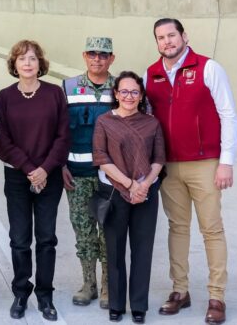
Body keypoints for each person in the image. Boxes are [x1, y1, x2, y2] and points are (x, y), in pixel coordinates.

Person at [144, 18, 237, 325]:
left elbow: (228, 114)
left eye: (172, 35)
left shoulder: (208, 68)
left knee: (211, 229)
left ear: (184, 36)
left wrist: (226, 161)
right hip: (169, 166)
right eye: (161, 37)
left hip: (205, 164)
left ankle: (216, 296)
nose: (167, 41)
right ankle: (180, 290)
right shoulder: (152, 74)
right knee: (177, 228)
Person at [0, 40, 70, 322]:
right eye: (22, 59)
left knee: (47, 239)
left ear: (41, 64)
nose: (27, 63)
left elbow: (63, 137)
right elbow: (2, 141)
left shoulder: (54, 94)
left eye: (33, 59)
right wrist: (29, 168)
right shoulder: (4, 97)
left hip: (49, 177)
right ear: (14, 64)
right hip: (17, 177)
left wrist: (45, 169)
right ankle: (21, 291)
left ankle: (45, 294)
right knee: (20, 239)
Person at [93, 71, 165, 324]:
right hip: (115, 194)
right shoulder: (104, 121)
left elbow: (158, 159)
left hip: (146, 194)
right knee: (114, 251)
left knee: (142, 251)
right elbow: (101, 159)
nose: (129, 96)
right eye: (124, 91)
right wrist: (130, 184)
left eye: (134, 92)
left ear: (141, 95)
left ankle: (138, 306)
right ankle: (116, 304)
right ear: (115, 94)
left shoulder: (151, 123)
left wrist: (144, 185)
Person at [61, 37, 116, 309]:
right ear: (84, 56)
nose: (98, 59)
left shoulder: (122, 89)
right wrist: (60, 166)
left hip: (111, 177)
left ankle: (107, 285)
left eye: (103, 55)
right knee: (83, 231)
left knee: (108, 231)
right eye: (92, 54)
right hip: (77, 173)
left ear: (111, 59)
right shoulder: (68, 87)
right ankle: (88, 283)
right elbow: (57, 131)